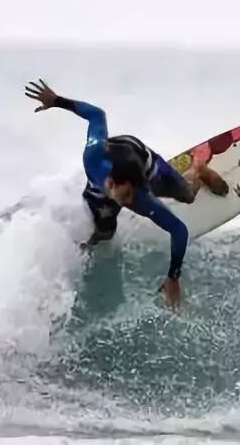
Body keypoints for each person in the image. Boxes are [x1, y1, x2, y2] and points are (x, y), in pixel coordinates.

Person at [24, 79, 228, 305]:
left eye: (132, 195)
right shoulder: (92, 155)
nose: (131, 201)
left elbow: (179, 230)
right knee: (102, 235)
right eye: (127, 195)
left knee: (187, 196)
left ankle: (198, 171)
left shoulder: (139, 196)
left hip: (147, 164)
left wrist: (173, 277)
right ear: (112, 182)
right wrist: (57, 101)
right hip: (113, 166)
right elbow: (96, 115)